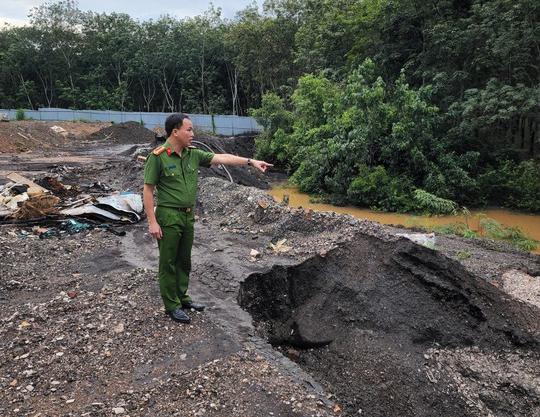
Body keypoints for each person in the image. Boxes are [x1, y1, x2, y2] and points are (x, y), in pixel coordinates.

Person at [143, 113, 273, 323]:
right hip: (168, 215)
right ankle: (172, 305)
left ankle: (183, 297)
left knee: (184, 260)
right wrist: (152, 221)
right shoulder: (158, 157)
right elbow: (147, 190)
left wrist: (251, 161)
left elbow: (222, 158)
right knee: (168, 262)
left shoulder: (193, 155)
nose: (192, 134)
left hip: (187, 215)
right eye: (189, 130)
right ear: (175, 132)